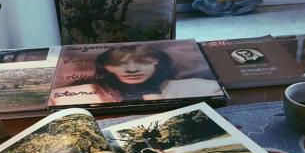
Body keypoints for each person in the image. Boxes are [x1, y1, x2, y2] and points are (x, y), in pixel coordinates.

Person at [49, 45, 222, 105]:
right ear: (105, 67)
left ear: (158, 62)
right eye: (117, 64)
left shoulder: (199, 87)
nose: (132, 70)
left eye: (143, 61)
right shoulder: (79, 93)